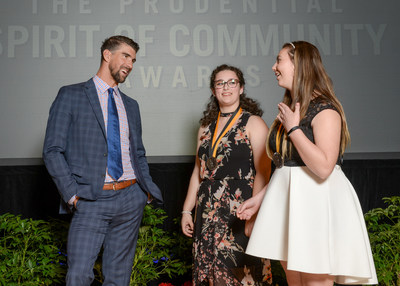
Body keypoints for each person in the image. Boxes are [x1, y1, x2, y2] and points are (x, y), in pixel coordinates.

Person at [237, 41, 378, 286]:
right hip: (290, 204)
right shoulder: (293, 109)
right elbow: (286, 166)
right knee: (293, 278)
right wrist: (259, 200)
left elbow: (324, 168)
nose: (273, 67)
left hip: (316, 205)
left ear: (298, 64)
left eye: (279, 60)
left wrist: (293, 128)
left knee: (315, 280)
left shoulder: (325, 110)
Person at [43, 35, 163, 286]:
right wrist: (72, 195)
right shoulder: (71, 95)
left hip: (131, 197)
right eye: (126, 56)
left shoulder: (131, 105)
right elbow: (53, 150)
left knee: (119, 277)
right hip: (91, 199)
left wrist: (145, 191)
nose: (130, 64)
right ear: (107, 55)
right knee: (78, 276)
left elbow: (138, 152)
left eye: (134, 60)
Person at [181, 64, 273, 285]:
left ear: (241, 88)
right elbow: (198, 171)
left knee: (242, 272)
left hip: (240, 210)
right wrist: (186, 210)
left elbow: (264, 171)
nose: (226, 87)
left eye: (232, 82)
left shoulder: (254, 123)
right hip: (207, 213)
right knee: (208, 273)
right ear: (214, 90)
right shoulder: (205, 127)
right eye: (220, 83)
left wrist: (254, 212)